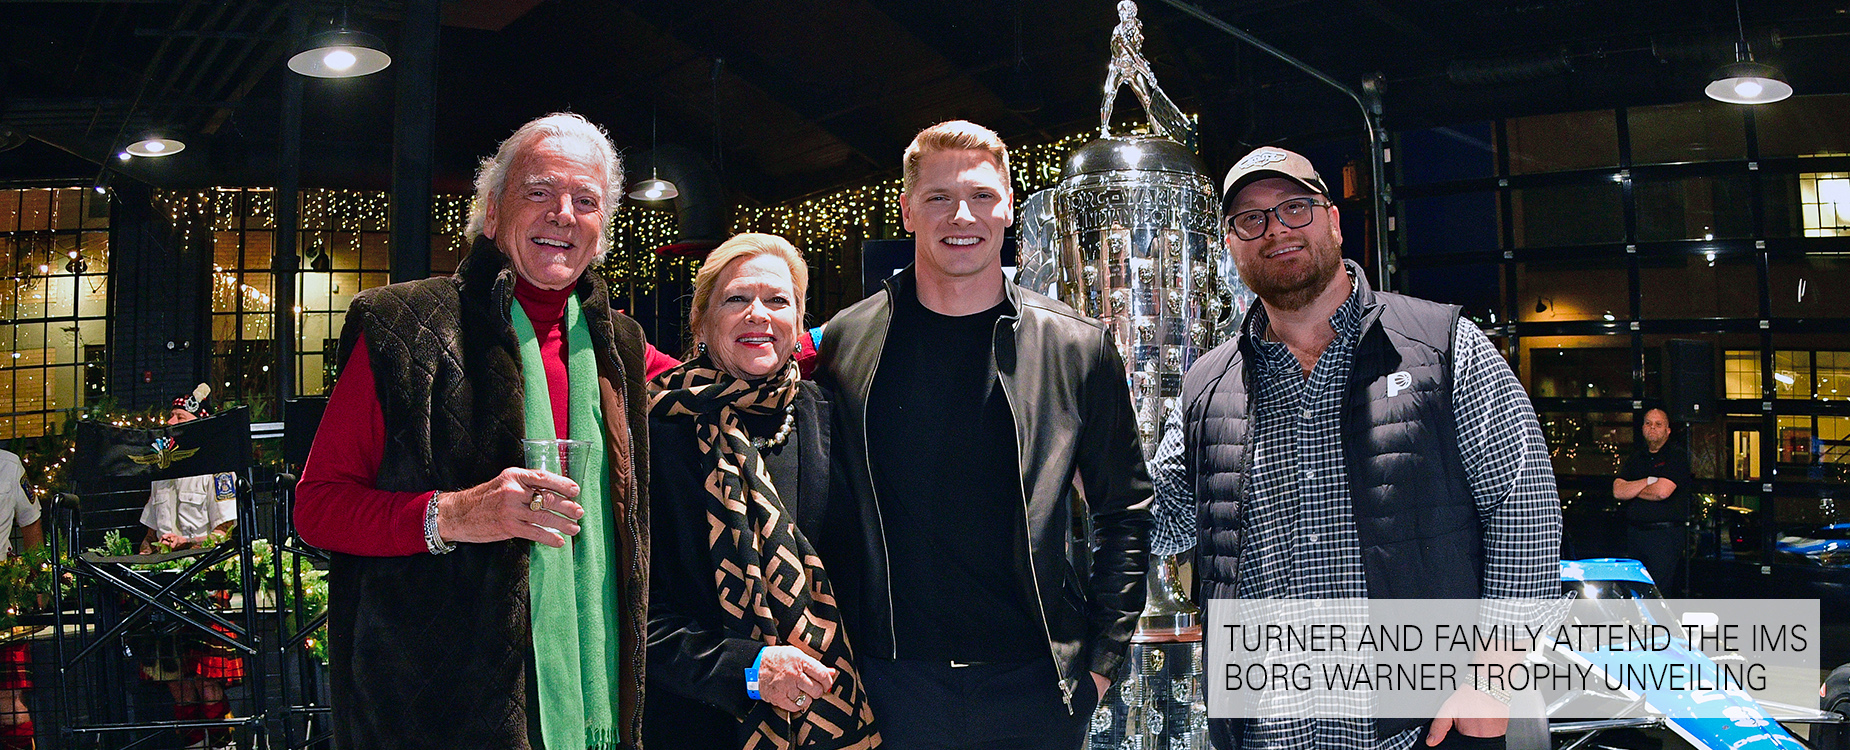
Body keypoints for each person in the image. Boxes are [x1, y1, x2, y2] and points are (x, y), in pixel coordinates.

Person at [1148, 146, 1561, 750]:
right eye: (1250, 220)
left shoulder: (1441, 347)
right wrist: (1070, 448)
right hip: (1264, 733)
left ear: (1334, 221)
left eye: (1294, 208)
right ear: (1232, 245)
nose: (1276, 231)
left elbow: (1525, 507)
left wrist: (1497, 676)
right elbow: (1161, 523)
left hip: (1424, 728)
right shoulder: (1207, 387)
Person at [295, 112, 650, 750]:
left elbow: (738, 363)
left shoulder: (620, 346)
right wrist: (454, 516)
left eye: (586, 200)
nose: (563, 213)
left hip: (599, 700)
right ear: (491, 213)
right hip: (438, 712)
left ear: (601, 232)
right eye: (538, 191)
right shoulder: (403, 327)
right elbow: (317, 508)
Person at [814, 120, 1151, 749]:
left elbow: (1125, 509)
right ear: (909, 211)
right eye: (939, 198)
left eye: (981, 196)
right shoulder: (846, 343)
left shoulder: (1076, 347)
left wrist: (1103, 662)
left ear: (1009, 208)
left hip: (1035, 685)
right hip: (889, 685)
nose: (961, 215)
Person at [644, 233, 878, 750]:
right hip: (698, 724)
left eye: (777, 300)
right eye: (736, 299)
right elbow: (630, 607)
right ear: (701, 322)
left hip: (830, 714)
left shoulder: (836, 419)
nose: (758, 314)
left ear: (798, 324)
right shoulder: (656, 431)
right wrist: (748, 672)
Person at [136, 384, 243, 750]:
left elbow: (224, 533)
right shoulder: (161, 470)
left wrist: (188, 544)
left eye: (178, 417)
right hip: (164, 587)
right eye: (169, 417)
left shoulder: (218, 470)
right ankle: (194, 745)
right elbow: (148, 535)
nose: (169, 423)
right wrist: (143, 558)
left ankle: (223, 743)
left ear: (199, 423)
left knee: (207, 679)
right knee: (175, 680)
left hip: (205, 584)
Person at [1612, 407, 1689, 592]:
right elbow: (1618, 491)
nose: (1652, 427)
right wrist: (1648, 481)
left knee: (1658, 592)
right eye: (1648, 423)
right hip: (1635, 536)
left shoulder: (1676, 456)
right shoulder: (1636, 457)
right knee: (1634, 591)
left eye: (1658, 424)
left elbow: (1662, 492)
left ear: (1668, 430)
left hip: (1664, 538)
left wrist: (1632, 489)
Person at [0, 449, 42, 750]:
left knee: (9, 703)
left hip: (2, 603)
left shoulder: (8, 465)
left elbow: (31, 527)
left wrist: (38, 586)